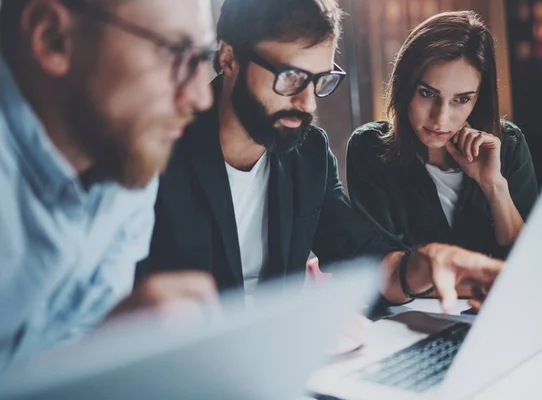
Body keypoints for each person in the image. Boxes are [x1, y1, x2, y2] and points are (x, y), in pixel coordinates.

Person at [137, 0, 503, 315]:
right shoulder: (155, 148)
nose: (308, 103)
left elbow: (359, 253)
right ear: (229, 58)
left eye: (320, 80)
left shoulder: (308, 151)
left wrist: (424, 264)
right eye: (291, 77)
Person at [0, 0, 218, 369]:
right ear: (53, 39)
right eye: (175, 52)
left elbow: (69, 357)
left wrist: (110, 346)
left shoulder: (124, 157)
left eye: (203, 57)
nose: (201, 97)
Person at [347, 11, 538, 268]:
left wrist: (494, 186)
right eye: (427, 93)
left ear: (478, 99)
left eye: (461, 99)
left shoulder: (508, 145)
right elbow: (380, 268)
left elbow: (531, 264)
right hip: (412, 309)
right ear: (406, 87)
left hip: (497, 307)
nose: (440, 118)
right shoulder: (371, 148)